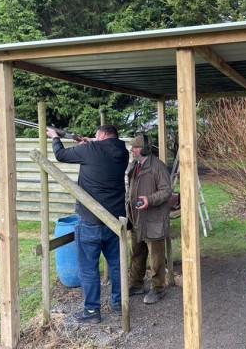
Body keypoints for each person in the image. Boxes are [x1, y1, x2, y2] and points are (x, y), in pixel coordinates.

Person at [46, 125, 129, 323]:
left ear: (101, 135)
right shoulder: (123, 152)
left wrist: (55, 137)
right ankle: (118, 303)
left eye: (95, 136)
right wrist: (89, 143)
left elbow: (60, 155)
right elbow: (102, 150)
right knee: (117, 265)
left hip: (91, 219)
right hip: (114, 220)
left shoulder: (91, 149)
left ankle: (92, 311)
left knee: (88, 267)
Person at [127, 134, 172, 304]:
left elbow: (166, 191)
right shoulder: (134, 165)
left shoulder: (158, 167)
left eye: (135, 147)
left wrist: (149, 200)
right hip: (136, 218)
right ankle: (136, 284)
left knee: (156, 257)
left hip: (153, 219)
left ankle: (158, 289)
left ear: (145, 149)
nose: (132, 149)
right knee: (136, 253)